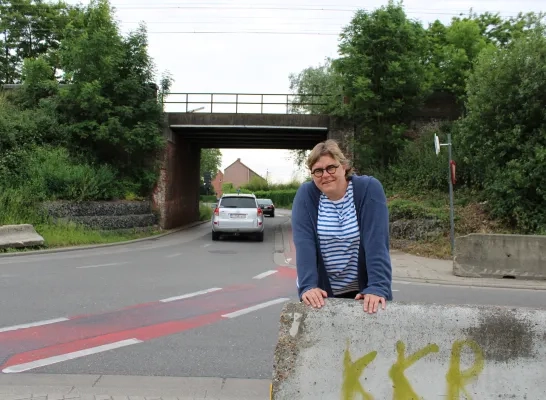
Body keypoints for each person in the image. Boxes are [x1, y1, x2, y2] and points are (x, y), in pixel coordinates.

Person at [292, 139, 393, 314]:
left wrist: (377, 287)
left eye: (331, 167)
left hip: (364, 291)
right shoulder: (306, 195)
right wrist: (308, 286)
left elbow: (377, 242)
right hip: (324, 294)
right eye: (317, 171)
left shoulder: (368, 189)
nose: (325, 175)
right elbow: (304, 244)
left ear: (344, 166)